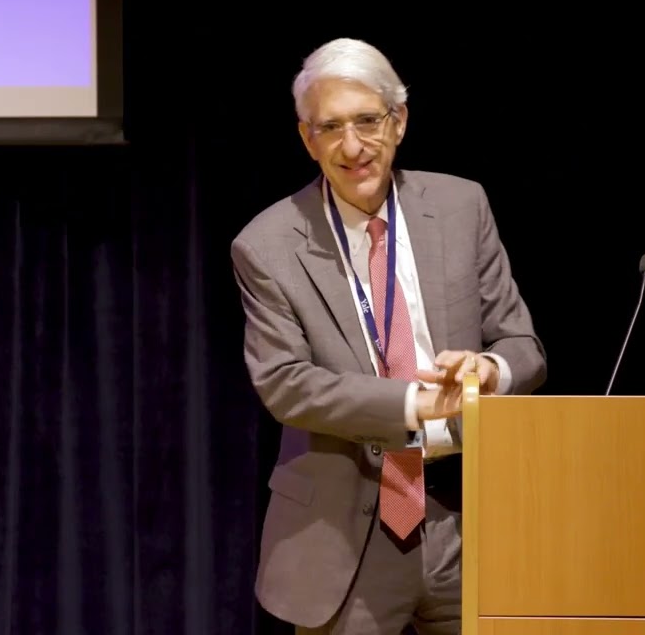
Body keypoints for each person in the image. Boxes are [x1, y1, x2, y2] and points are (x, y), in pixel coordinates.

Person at [230, 37, 547, 634]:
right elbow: (286, 385)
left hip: (469, 518)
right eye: (330, 128)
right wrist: (415, 403)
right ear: (307, 139)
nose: (352, 147)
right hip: (346, 534)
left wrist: (488, 374)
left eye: (367, 121)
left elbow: (522, 348)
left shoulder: (461, 206)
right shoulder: (266, 245)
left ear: (398, 122)